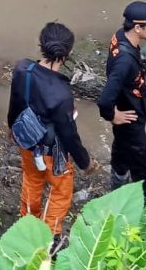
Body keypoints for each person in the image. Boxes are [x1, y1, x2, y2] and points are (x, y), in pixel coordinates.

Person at [8, 22, 96, 242]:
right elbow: (68, 133)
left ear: (41, 45)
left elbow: (16, 103)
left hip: (27, 140)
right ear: (67, 54)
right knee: (60, 190)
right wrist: (84, 161)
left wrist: (12, 129)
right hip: (51, 150)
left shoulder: (23, 69)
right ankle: (50, 234)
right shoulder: (62, 93)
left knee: (31, 179)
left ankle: (27, 223)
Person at [97, 2, 146, 203]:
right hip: (129, 115)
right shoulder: (125, 61)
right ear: (137, 28)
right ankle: (145, 201)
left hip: (125, 105)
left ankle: (117, 185)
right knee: (143, 161)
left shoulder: (120, 35)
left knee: (121, 148)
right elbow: (104, 100)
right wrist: (112, 115)